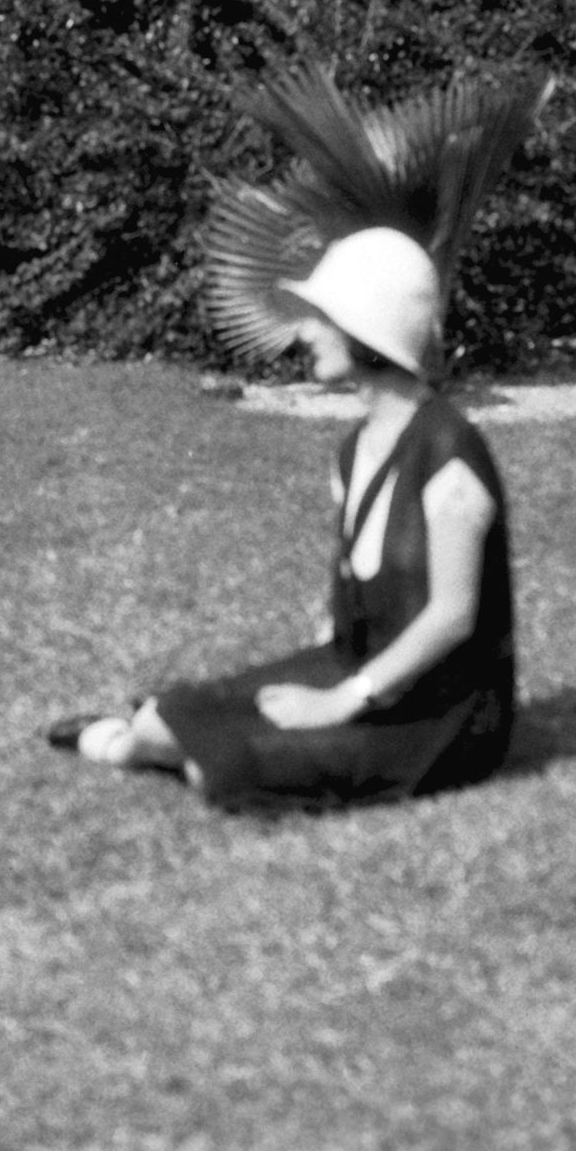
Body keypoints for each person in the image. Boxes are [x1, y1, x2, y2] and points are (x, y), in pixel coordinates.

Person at [52, 222, 517, 810]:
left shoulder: (449, 456)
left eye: (322, 318)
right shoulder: (356, 450)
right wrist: (325, 666)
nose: (305, 332)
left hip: (440, 719)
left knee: (227, 769)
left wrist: (342, 700)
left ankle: (136, 748)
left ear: (365, 330)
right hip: (359, 668)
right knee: (170, 714)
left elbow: (452, 617)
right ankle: (129, 743)